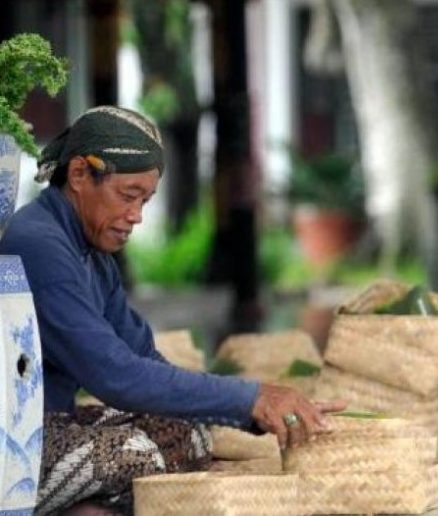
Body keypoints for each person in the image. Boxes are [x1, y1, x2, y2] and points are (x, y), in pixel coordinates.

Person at [0, 106, 345, 514]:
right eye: (128, 196)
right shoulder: (39, 245)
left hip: (53, 426)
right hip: (15, 444)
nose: (136, 216)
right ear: (78, 175)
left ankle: (84, 507)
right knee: (137, 453)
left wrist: (249, 407)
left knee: (187, 432)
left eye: (144, 201)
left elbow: (142, 357)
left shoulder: (91, 255)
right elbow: (115, 376)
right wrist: (249, 397)